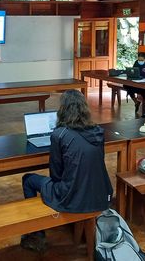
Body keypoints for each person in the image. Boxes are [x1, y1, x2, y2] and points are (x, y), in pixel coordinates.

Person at [20, 90, 112, 251]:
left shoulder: (59, 134)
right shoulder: (98, 131)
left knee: (28, 179)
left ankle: (36, 234)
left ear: (62, 110)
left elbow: (55, 174)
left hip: (72, 197)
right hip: (100, 193)